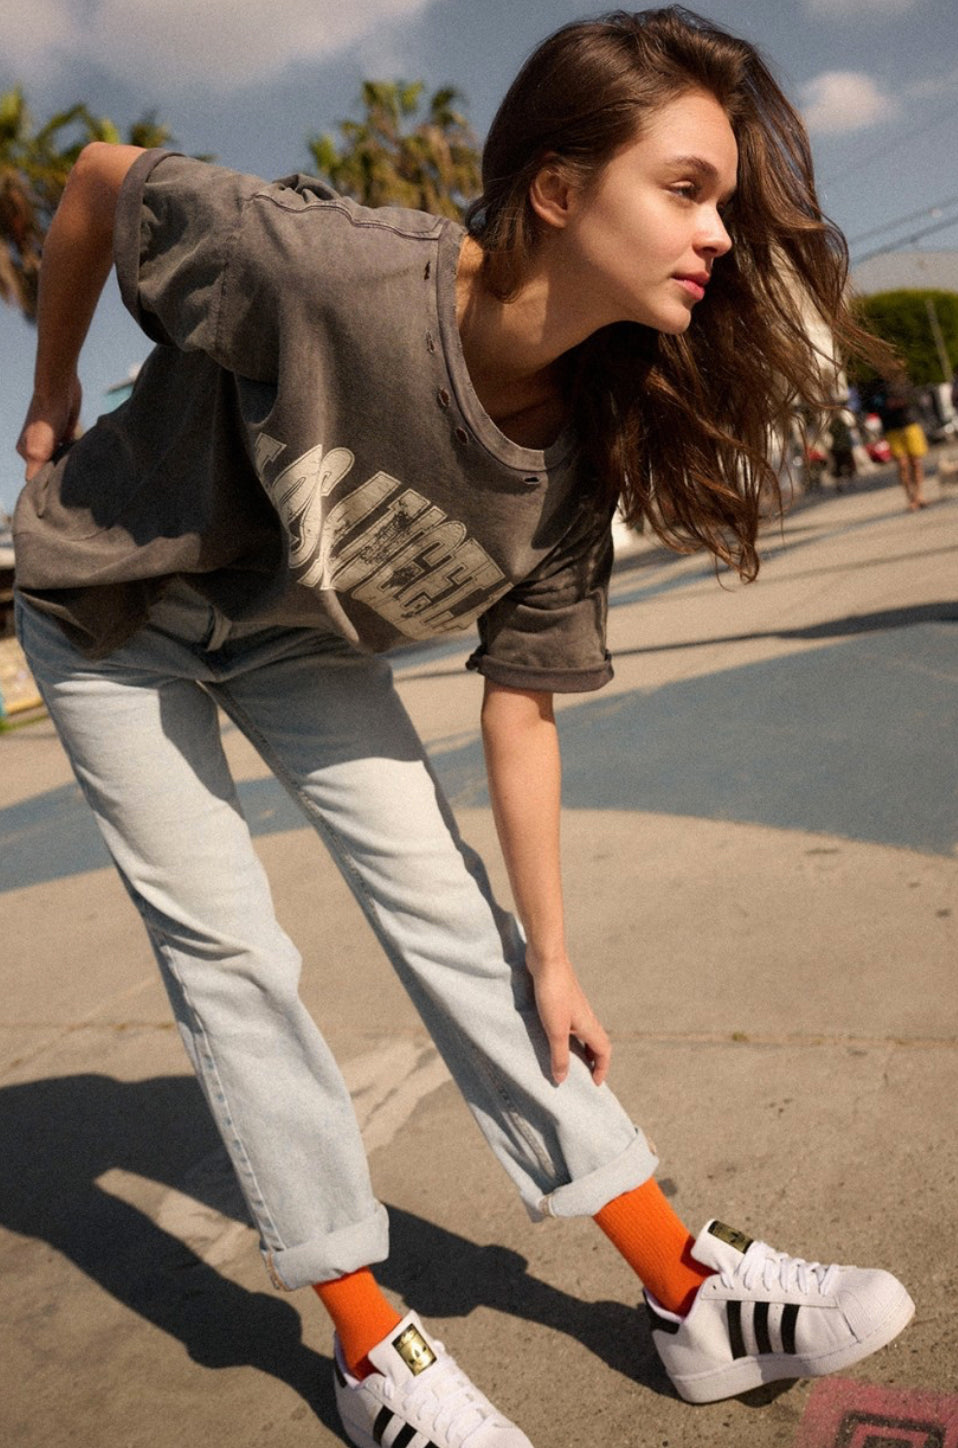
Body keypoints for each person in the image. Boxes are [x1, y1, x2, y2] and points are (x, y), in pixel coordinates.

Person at [14, 9, 913, 1445]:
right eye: (685, 190)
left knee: (466, 927)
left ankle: (685, 1291)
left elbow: (523, 704)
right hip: (110, 613)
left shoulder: (577, 448)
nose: (720, 234)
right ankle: (371, 1350)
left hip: (299, 638)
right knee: (233, 951)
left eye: (727, 203)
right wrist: (54, 387)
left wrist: (551, 958)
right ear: (556, 190)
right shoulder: (328, 270)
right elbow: (101, 179)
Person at [870, 371, 929, 510]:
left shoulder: (906, 383)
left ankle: (920, 494)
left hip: (910, 424)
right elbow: (872, 405)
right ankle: (911, 497)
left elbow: (918, 398)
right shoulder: (878, 386)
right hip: (892, 429)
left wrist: (903, 401)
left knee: (916, 462)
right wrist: (885, 405)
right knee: (902, 464)